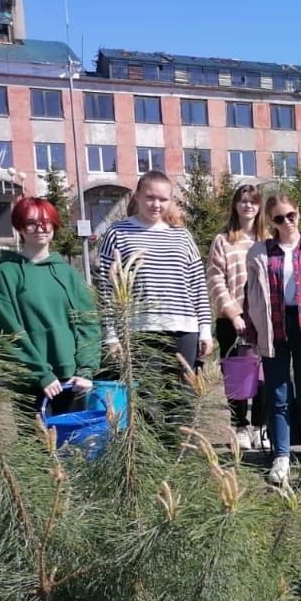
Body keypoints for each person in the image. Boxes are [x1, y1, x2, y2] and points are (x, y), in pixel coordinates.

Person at [97, 170, 212, 418]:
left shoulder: (181, 236)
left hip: (183, 328)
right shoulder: (117, 234)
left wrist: (205, 330)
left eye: (163, 199)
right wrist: (111, 335)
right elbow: (106, 289)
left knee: (181, 400)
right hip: (139, 329)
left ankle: (176, 452)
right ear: (137, 196)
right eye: (150, 197)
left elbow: (198, 285)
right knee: (146, 401)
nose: (156, 204)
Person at [245, 193, 301, 485]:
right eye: (279, 218)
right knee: (278, 397)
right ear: (271, 221)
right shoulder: (259, 253)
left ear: (299, 213)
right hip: (274, 328)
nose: (287, 222)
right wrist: (252, 330)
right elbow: (252, 297)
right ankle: (281, 456)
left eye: (290, 215)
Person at [0, 196, 100, 417]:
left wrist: (86, 369)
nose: (40, 228)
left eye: (46, 222)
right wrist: (40, 374)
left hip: (73, 381)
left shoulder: (66, 272)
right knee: (38, 449)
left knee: (75, 448)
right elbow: (6, 331)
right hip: (31, 383)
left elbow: (88, 321)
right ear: (20, 227)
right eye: (31, 223)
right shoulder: (7, 273)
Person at [206, 184, 266, 450]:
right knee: (237, 376)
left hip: (263, 319)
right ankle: (240, 426)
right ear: (235, 205)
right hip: (232, 321)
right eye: (242, 201)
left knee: (265, 374)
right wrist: (233, 313)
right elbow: (215, 279)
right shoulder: (223, 240)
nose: (248, 206)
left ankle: (261, 425)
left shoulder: (267, 240)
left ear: (259, 206)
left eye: (252, 201)